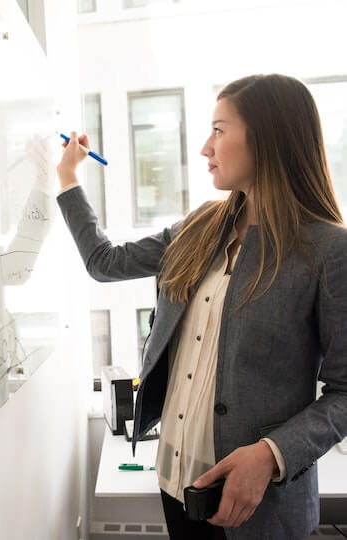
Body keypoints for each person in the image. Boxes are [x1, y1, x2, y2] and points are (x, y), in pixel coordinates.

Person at [55, 74, 347, 540]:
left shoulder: (328, 250)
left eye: (218, 130)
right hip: (176, 485)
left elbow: (345, 392)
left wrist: (272, 453)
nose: (205, 148)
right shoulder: (200, 227)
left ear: (268, 138)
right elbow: (104, 262)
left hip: (258, 508)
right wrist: (68, 179)